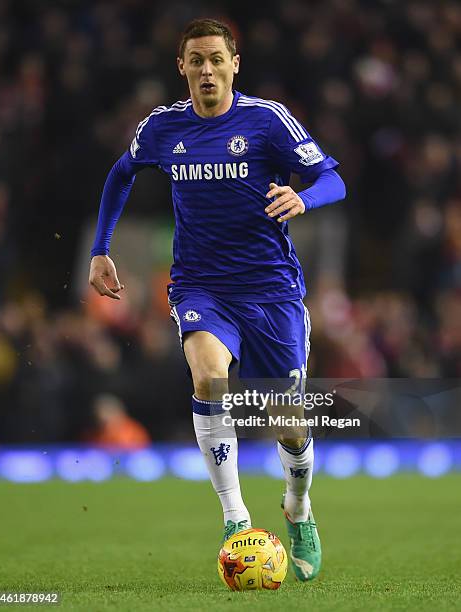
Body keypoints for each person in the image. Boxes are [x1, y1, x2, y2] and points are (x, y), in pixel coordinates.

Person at [89, 18, 346, 582]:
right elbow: (120, 173)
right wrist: (100, 248)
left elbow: (333, 178)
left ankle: (299, 509)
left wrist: (303, 199)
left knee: (289, 425)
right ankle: (235, 518)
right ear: (181, 68)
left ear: (234, 64)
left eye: (215, 59)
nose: (206, 69)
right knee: (209, 379)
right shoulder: (163, 127)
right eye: (195, 60)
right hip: (201, 285)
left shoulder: (266, 121)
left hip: (272, 291)